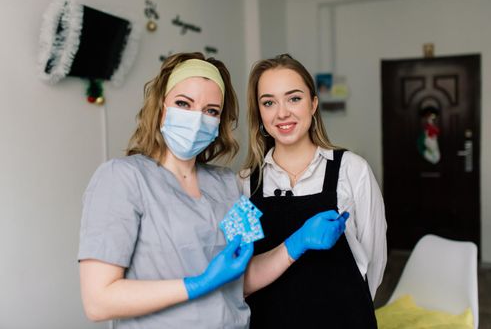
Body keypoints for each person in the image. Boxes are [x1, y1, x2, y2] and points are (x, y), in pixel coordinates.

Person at [78, 52, 348, 329]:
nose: (197, 119)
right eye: (184, 103)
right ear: (160, 107)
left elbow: (243, 278)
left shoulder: (227, 183)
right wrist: (198, 284)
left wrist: (297, 242)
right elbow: (99, 301)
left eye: (211, 111)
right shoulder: (120, 178)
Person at [239, 54, 387, 328]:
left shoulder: (353, 171)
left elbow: (374, 259)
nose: (282, 112)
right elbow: (239, 272)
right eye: (269, 102)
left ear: (313, 104)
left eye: (294, 98)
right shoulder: (244, 183)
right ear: (259, 113)